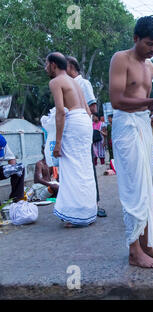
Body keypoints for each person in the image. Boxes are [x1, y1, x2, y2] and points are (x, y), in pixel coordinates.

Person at [109, 16, 153, 268]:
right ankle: (133, 250)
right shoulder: (121, 59)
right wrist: (152, 103)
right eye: (149, 44)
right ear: (135, 38)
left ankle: (147, 243)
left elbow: (149, 102)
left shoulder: (150, 67)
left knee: (147, 189)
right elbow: (117, 100)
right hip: (125, 126)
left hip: (142, 123)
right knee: (133, 189)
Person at [45, 52, 97, 228]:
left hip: (74, 122)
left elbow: (61, 111)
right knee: (84, 167)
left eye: (46, 65)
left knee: (71, 168)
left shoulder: (56, 82)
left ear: (53, 65)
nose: (46, 69)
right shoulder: (74, 82)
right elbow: (89, 111)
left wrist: (58, 143)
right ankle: (88, 213)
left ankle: (75, 216)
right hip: (85, 121)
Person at [66, 55, 106, 218]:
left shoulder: (83, 83)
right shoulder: (68, 84)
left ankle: (94, 204)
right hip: (72, 132)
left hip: (82, 132)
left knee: (88, 166)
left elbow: (93, 107)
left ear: (70, 66)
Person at [0, 135, 25, 202]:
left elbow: (12, 159)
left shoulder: (2, 143)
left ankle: (16, 198)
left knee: (19, 168)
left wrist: (12, 171)